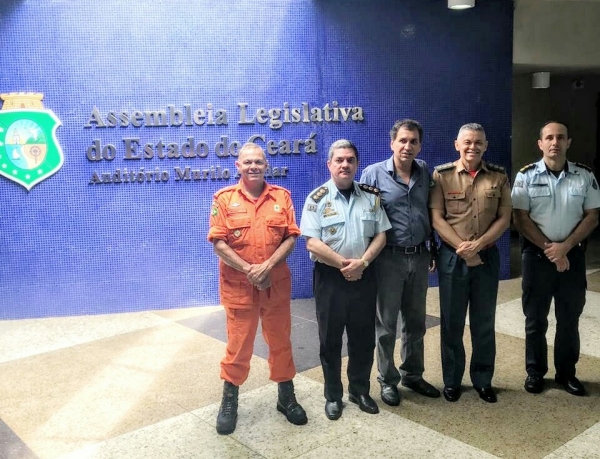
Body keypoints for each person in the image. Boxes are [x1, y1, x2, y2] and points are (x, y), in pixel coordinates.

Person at [207, 143, 307, 435]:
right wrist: (249, 270)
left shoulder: (281, 197)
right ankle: (229, 400)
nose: (253, 166)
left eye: (259, 162)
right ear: (237, 166)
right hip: (239, 288)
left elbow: (291, 237)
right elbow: (218, 242)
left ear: (267, 166)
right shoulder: (224, 199)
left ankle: (286, 397)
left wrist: (267, 266)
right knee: (238, 346)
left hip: (274, 285)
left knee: (281, 342)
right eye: (247, 162)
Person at [300, 139, 391, 420]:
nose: (345, 164)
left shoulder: (370, 196)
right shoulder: (317, 199)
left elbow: (381, 235)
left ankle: (360, 390)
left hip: (364, 275)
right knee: (330, 339)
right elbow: (312, 243)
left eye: (350, 160)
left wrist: (362, 263)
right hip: (331, 277)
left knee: (363, 338)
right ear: (329, 164)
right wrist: (344, 265)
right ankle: (333, 395)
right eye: (339, 160)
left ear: (356, 164)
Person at [512, 121, 600, 397]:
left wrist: (565, 248)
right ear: (540, 143)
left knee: (569, 318)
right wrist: (551, 249)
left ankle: (566, 373)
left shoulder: (584, 175)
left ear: (568, 142)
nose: (554, 142)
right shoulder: (525, 176)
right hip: (536, 257)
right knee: (535, 319)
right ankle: (535, 373)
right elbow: (520, 218)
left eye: (560, 137)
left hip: (572, 256)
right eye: (549, 137)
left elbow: (592, 216)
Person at [429, 123, 511, 404]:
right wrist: (462, 248)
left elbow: (504, 217)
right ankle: (452, 381)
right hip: (452, 257)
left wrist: (479, 244)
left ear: (485, 145)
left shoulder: (498, 177)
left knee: (483, 322)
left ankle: (483, 379)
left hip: (486, 256)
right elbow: (437, 217)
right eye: (467, 142)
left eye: (478, 142)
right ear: (457, 144)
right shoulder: (442, 175)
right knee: (452, 322)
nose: (472, 147)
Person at [359, 119, 440, 406]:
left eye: (413, 141)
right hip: (387, 260)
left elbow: (430, 213)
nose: (408, 146)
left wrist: (431, 248)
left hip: (419, 258)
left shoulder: (425, 172)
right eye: (402, 140)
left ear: (420, 145)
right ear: (392, 142)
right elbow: (363, 220)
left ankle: (413, 375)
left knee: (416, 322)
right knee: (386, 324)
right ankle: (387, 380)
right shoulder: (373, 175)